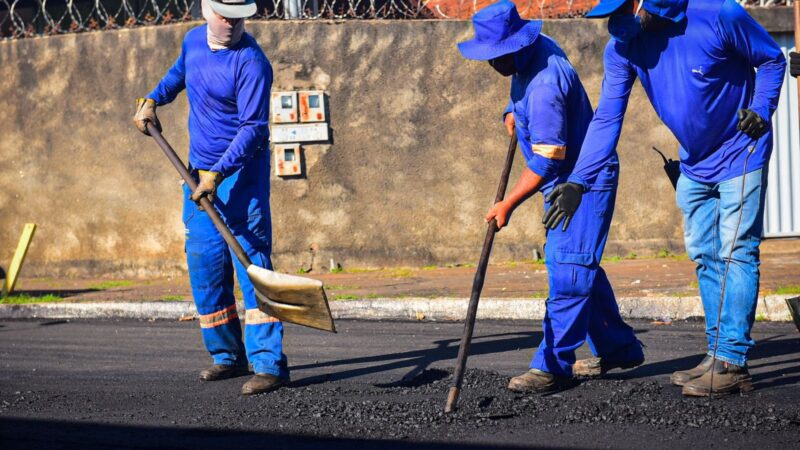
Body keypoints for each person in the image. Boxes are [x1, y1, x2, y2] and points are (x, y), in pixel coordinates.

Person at [545, 0, 786, 396]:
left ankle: (732, 362)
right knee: (705, 254)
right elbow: (607, 117)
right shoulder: (624, 47)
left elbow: (772, 59)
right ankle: (717, 353)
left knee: (735, 250)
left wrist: (761, 108)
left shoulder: (720, 14)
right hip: (694, 161)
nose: (617, 20)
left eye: (624, 8)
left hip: (743, 149)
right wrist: (579, 181)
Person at [458, 0, 644, 393]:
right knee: (578, 266)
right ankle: (620, 347)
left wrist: (507, 204)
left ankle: (552, 365)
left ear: (516, 47)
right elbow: (521, 98)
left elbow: (547, 160)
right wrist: (512, 111)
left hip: (581, 184)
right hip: (563, 179)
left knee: (569, 273)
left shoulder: (545, 86)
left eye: (497, 57)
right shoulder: (536, 49)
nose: (492, 65)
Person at [133, 0, 289, 395]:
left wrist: (218, 173)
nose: (233, 24)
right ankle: (227, 356)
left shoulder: (252, 63)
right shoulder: (192, 43)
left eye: (239, 17)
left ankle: (270, 365)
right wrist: (152, 100)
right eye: (224, 15)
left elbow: (253, 128)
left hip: (240, 178)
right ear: (205, 11)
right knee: (205, 262)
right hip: (197, 175)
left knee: (251, 261)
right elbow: (177, 75)